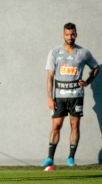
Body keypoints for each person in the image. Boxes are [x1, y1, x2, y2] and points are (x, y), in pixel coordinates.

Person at [41, 22, 100, 167]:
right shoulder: (55, 52)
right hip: (59, 96)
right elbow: (49, 77)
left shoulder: (83, 53)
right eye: (67, 34)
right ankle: (50, 158)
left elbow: (96, 68)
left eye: (72, 34)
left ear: (76, 34)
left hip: (76, 95)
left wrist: (87, 81)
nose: (70, 37)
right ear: (63, 35)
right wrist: (50, 97)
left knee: (75, 125)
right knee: (56, 125)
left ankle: (71, 158)